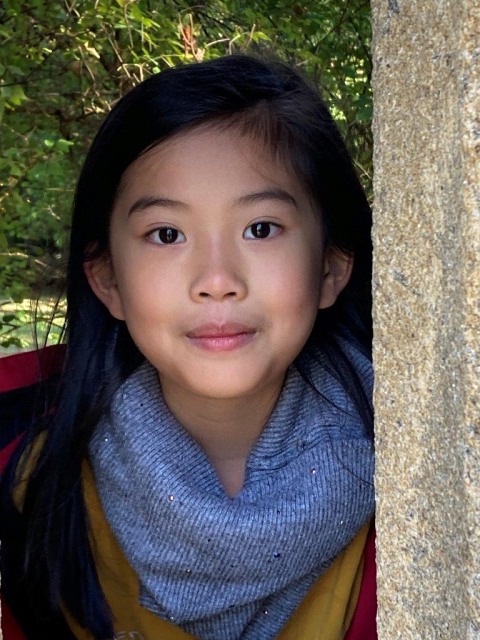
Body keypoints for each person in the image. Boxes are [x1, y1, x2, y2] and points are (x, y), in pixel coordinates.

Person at [0, 54, 375, 640]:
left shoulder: (424, 463)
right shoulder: (23, 466)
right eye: (167, 234)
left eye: (261, 228)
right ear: (108, 279)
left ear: (331, 265)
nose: (217, 279)